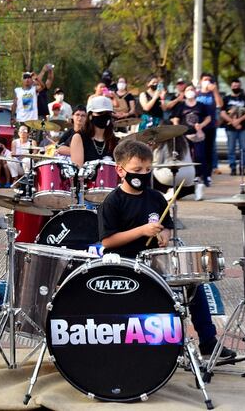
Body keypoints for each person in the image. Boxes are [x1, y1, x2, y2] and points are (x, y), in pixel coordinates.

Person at [98, 140, 236, 360]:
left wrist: (164, 236)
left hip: (155, 263)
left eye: (147, 170)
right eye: (137, 170)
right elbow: (107, 241)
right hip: (126, 264)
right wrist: (142, 230)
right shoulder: (113, 201)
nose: (143, 174)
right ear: (120, 170)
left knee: (194, 286)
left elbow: (167, 227)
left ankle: (208, 341)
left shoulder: (155, 198)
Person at [170, 84, 211, 200]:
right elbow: (176, 119)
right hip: (184, 137)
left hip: (197, 135)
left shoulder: (201, 106)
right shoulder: (181, 106)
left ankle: (199, 180)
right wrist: (177, 131)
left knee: (199, 157)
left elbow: (208, 118)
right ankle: (182, 183)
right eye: (188, 90)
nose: (190, 91)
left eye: (192, 89)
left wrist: (201, 126)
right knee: (184, 158)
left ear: (196, 92)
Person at [70, 95, 118, 167]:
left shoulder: (114, 140)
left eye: (108, 113)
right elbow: (78, 170)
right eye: (100, 113)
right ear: (90, 115)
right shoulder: (79, 138)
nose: (104, 116)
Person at [220, 79, 245, 176]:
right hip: (230, 128)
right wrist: (232, 121)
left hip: (243, 127)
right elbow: (222, 113)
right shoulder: (226, 98)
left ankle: (242, 168)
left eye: (237, 86)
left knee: (243, 148)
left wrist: (239, 120)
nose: (236, 87)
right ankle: (233, 168)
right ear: (231, 86)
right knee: (231, 149)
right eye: (234, 86)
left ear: (240, 86)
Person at [196, 73, 223, 182]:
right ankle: (198, 173)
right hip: (198, 126)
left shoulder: (213, 94)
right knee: (198, 151)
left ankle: (207, 174)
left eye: (209, 80)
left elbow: (220, 104)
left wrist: (215, 91)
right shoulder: (197, 94)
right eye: (205, 79)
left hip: (210, 126)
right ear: (200, 81)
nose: (207, 82)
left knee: (209, 150)